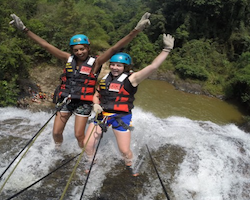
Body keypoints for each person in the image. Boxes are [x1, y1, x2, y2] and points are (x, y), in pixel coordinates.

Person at [9, 12, 151, 149]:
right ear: (72, 50)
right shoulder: (68, 58)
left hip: (84, 102)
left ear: (88, 48)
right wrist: (24, 30)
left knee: (78, 135)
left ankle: (86, 155)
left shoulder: (96, 62)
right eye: (76, 50)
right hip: (66, 99)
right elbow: (46, 45)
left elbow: (115, 48)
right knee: (56, 132)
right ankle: (57, 150)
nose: (79, 52)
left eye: (82, 49)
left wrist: (136, 30)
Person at [84, 33, 175, 169]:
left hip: (120, 116)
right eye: (113, 65)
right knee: (88, 143)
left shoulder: (132, 79)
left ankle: (130, 164)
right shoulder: (104, 78)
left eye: (119, 65)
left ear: (125, 67)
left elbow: (153, 67)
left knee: (124, 150)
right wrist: (96, 104)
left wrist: (166, 50)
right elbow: (97, 94)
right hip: (102, 114)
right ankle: (91, 162)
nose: (115, 68)